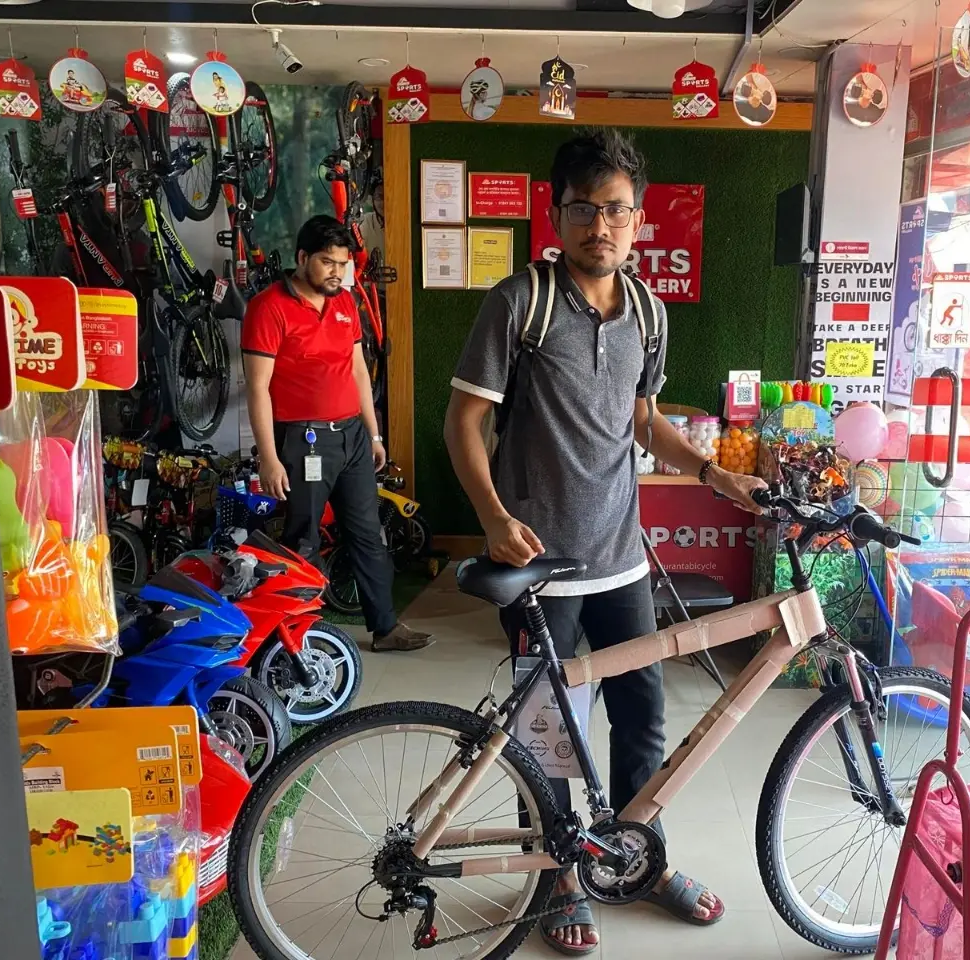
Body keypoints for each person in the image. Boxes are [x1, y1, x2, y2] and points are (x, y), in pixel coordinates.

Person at [444, 129, 764, 954]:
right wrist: (491, 518)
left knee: (643, 719)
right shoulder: (520, 302)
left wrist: (713, 472)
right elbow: (463, 422)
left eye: (617, 210)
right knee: (548, 732)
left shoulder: (649, 314)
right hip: (538, 568)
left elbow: (643, 421)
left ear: (639, 220)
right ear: (556, 215)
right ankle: (558, 874)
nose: (602, 226)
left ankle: (636, 858)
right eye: (585, 209)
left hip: (621, 559)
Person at [242, 215, 431, 653]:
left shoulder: (345, 302)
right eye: (327, 262)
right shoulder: (268, 307)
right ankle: (296, 639)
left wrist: (374, 434)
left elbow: (359, 370)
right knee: (303, 538)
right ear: (302, 257)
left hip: (353, 437)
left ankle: (385, 628)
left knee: (368, 533)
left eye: (343, 264)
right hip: (303, 440)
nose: (337, 272)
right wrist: (269, 458)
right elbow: (257, 388)